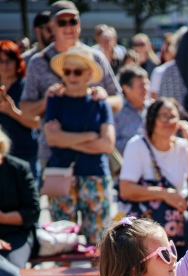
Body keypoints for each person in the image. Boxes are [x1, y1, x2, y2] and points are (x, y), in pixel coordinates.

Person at [119, 97, 188, 276]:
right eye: (163, 117)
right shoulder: (138, 145)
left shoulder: (182, 146)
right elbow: (126, 188)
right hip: (147, 220)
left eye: (173, 116)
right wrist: (165, 194)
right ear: (152, 120)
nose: (169, 121)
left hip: (176, 219)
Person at [20, 0, 122, 172]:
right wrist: (46, 100)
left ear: (79, 24)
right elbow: (26, 109)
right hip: (54, 155)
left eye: (73, 21)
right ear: (52, 27)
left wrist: (101, 98)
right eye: (62, 22)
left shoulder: (96, 58)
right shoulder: (38, 62)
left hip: (94, 157)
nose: (68, 27)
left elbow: (118, 100)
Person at [44, 46, 115, 244]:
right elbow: (52, 139)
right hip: (61, 175)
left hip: (95, 175)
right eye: (67, 71)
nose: (71, 76)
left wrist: (66, 139)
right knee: (62, 241)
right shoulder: (54, 99)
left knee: (100, 245)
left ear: (89, 74)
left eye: (77, 71)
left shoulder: (100, 102)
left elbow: (107, 145)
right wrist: (89, 136)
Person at [0, 129, 40, 276]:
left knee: (13, 269)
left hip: (17, 233)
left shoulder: (18, 168)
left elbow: (33, 212)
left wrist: (4, 218)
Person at [0, 41, 40, 180]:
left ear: (17, 61)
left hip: (25, 154)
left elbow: (38, 123)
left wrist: (12, 112)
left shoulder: (26, 86)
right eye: (1, 61)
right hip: (1, 156)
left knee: (28, 199)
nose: (5, 66)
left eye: (9, 60)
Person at [114, 65, 150, 155]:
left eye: (147, 84)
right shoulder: (117, 113)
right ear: (126, 89)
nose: (146, 89)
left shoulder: (154, 108)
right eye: (141, 86)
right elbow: (112, 146)